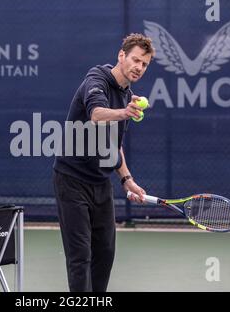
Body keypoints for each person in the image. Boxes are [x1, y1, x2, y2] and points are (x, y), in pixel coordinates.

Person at [53, 33, 155, 292]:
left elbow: (113, 145)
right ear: (121, 56)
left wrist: (127, 179)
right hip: (72, 180)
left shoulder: (127, 95)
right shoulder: (96, 79)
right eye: (135, 60)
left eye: (144, 64)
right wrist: (124, 112)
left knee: (105, 254)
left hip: (101, 184)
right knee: (80, 257)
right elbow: (97, 115)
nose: (138, 67)